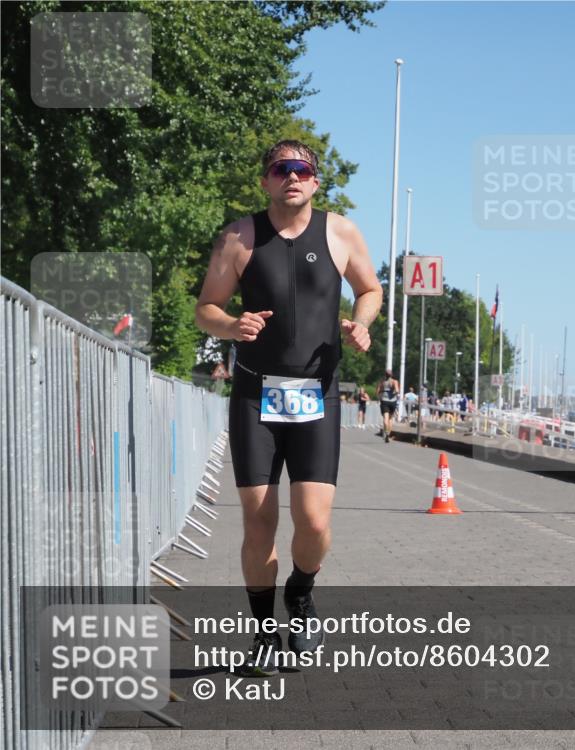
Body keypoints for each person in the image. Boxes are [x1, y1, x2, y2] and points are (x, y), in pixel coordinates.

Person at [195, 140, 382, 675]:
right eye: (282, 169)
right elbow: (205, 307)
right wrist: (231, 325)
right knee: (258, 524)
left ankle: (300, 592)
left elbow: (370, 289)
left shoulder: (340, 232)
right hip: (256, 394)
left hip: (317, 394)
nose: (292, 177)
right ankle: (263, 634)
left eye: (302, 169)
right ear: (267, 181)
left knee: (314, 523)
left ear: (315, 182)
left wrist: (361, 324)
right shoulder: (239, 236)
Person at [376, 369, 400, 443]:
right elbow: (397, 390)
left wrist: (379, 398)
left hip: (384, 401)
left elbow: (377, 392)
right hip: (393, 401)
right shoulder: (394, 381)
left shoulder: (382, 382)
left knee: (385, 419)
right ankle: (388, 435)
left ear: (385, 374)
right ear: (391, 374)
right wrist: (393, 393)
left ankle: (385, 432)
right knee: (390, 419)